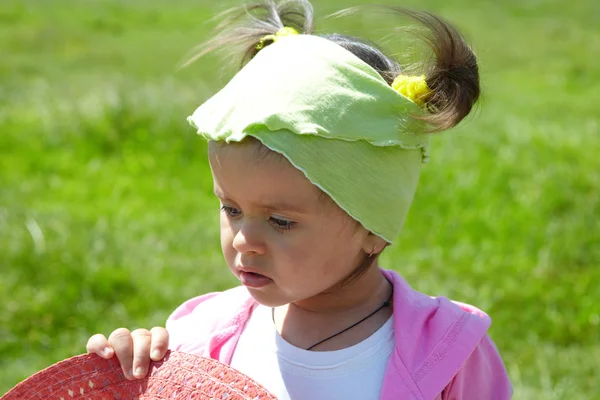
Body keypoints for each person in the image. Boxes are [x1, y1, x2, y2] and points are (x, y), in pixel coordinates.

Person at [86, 1, 512, 398]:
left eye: (281, 221)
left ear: (373, 227)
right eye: (231, 209)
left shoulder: (449, 352)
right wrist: (134, 378)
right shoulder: (200, 340)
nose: (242, 241)